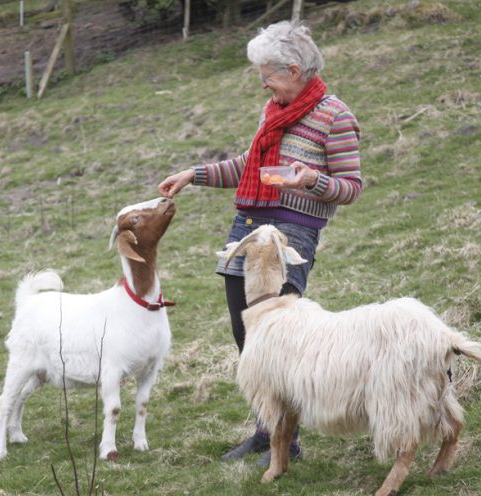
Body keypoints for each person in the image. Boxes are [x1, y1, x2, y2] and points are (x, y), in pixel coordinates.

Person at [158, 20, 362, 466]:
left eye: (267, 75)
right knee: (247, 336)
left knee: (279, 340)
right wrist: (193, 175)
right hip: (247, 229)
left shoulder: (335, 116)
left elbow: (351, 187)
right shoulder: (272, 112)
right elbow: (247, 165)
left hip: (291, 236)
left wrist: (312, 181)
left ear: (294, 70)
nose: (263, 84)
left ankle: (285, 441)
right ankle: (267, 430)